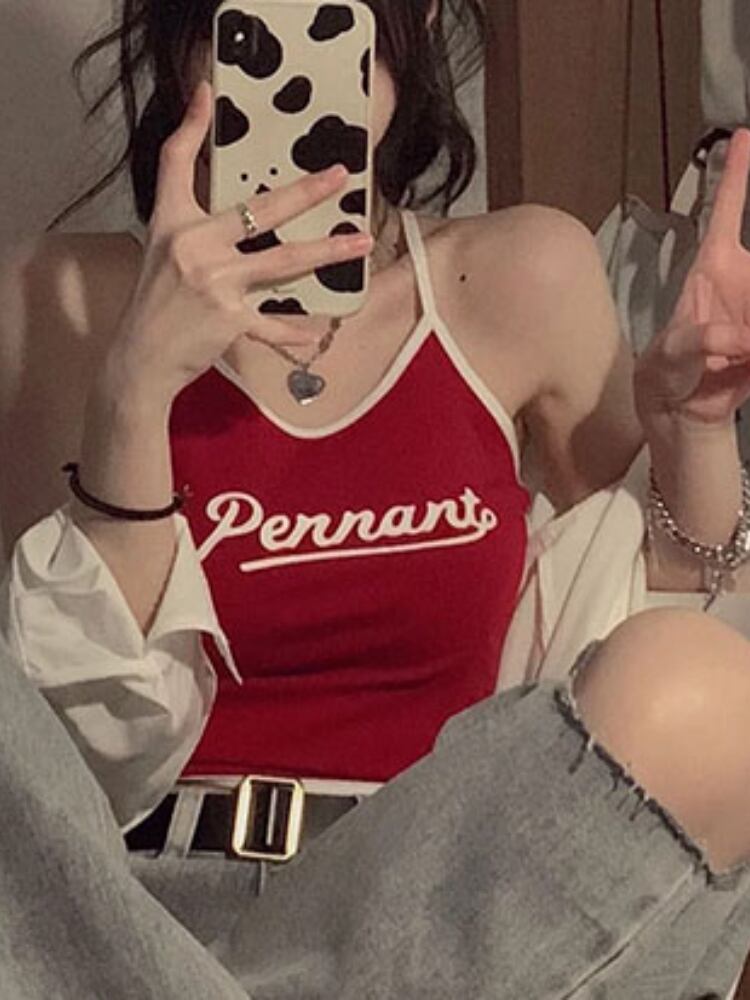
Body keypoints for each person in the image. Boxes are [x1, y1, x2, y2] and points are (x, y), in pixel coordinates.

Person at [3, 0, 750, 995]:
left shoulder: (519, 277)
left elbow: (663, 620)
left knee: (709, 692)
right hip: (116, 924)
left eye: (335, 18)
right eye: (249, 21)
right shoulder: (58, 299)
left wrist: (697, 431)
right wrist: (136, 387)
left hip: (431, 917)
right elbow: (70, 762)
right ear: (183, 37)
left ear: (417, 19)